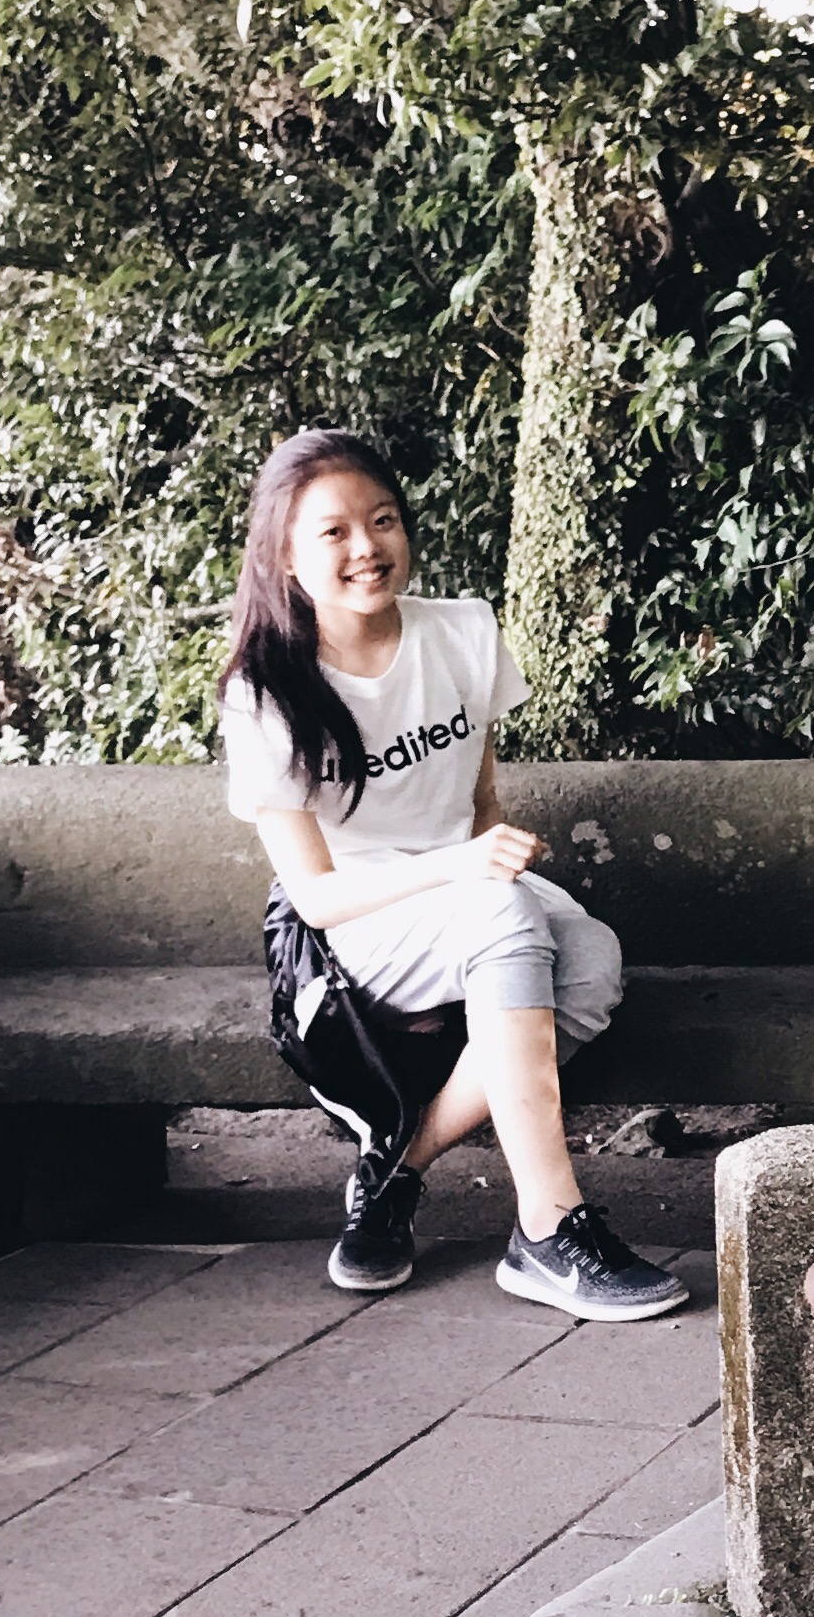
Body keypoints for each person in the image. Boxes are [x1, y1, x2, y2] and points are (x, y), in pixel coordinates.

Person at [218, 425, 688, 1319]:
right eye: (333, 532)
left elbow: (480, 801)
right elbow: (316, 898)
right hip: (357, 925)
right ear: (284, 556)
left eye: (383, 519)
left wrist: (483, 864)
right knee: (505, 922)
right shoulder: (266, 692)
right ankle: (549, 1228)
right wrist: (465, 873)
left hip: (464, 888)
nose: (367, 547)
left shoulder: (464, 631)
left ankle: (397, 1166)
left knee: (592, 962)